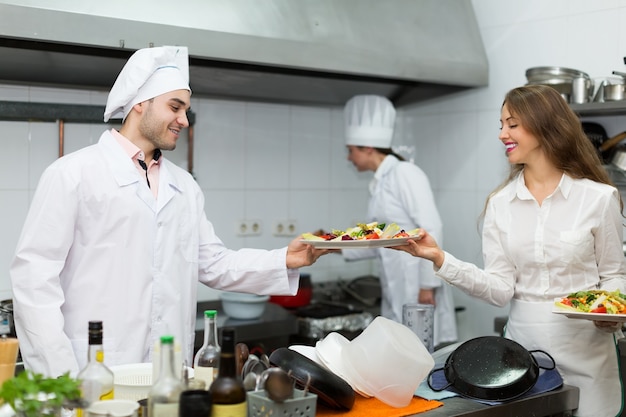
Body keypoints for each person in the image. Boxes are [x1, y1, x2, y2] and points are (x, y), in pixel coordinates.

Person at [9, 46, 328, 378]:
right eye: (175, 107)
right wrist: (59, 378)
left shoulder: (184, 186)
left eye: (187, 110)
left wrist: (285, 260)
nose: (184, 120)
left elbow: (213, 263)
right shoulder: (72, 174)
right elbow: (34, 282)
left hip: (170, 374)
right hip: (94, 371)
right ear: (139, 104)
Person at [395, 84, 626, 417]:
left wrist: (609, 313)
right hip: (522, 360)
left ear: (545, 125)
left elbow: (614, 274)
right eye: (501, 124)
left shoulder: (598, 198)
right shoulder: (500, 204)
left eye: (512, 124)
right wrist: (439, 258)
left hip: (588, 353)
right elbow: (499, 289)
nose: (502, 133)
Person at [341, 94, 458, 348]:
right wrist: (337, 245)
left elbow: (432, 227)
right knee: (401, 350)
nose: (349, 158)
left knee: (420, 354)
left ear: (368, 149)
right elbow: (381, 237)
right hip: (396, 284)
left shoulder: (405, 173)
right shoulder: (380, 181)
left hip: (417, 285)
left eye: (351, 151)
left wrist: (427, 286)